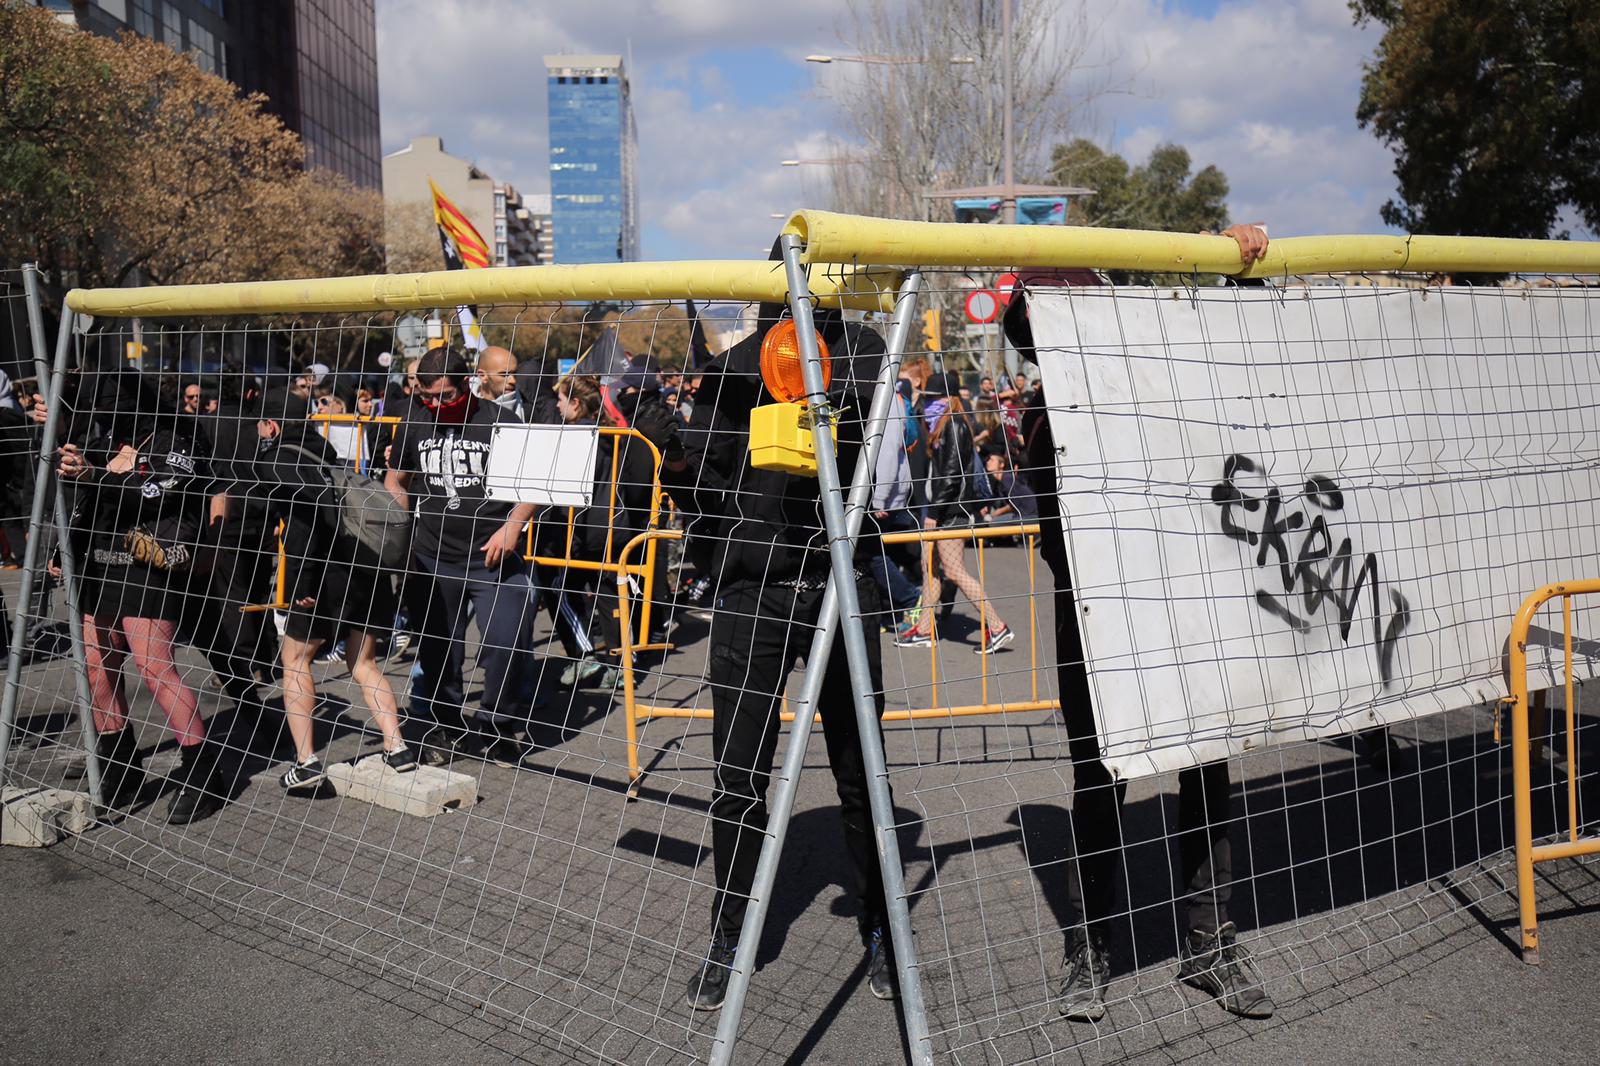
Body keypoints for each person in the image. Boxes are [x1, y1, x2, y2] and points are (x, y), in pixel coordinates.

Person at [1006, 222, 1277, 1022]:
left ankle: (1210, 943)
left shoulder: (1155, 382)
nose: (1053, 339)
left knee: (1205, 766)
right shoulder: (1048, 424)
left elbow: (1239, 350)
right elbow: (1066, 546)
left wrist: (1221, 265)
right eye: (1039, 327)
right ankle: (1092, 945)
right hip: (1098, 625)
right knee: (1100, 777)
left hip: (1184, 611)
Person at [642, 278, 902, 1011]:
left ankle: (882, 926)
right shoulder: (731, 368)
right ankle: (732, 934)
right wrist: (677, 458)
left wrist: (807, 386)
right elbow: (705, 491)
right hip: (753, 598)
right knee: (738, 777)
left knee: (862, 774)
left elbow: (863, 450)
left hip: (840, 586)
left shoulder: (859, 352)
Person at [50, 360, 226, 824]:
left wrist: (93, 475)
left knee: (155, 668)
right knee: (96, 665)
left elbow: (155, 495)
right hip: (100, 563)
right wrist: (61, 545)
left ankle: (203, 771)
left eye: (109, 407)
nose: (104, 418)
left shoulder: (176, 438)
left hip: (150, 562)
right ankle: (121, 763)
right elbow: (85, 498)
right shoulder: (106, 439)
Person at [252, 388, 416, 789]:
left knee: (295, 661)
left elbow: (304, 523)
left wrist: (299, 585)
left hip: (323, 578)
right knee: (363, 663)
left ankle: (306, 762)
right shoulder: (323, 452)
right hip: (365, 567)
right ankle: (398, 748)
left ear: (270, 425)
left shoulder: (279, 461)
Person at [385, 345, 539, 766]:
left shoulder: (500, 422)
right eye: (427, 397)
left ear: (468, 383)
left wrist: (513, 525)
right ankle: (447, 726)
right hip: (432, 557)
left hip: (493, 558)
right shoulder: (416, 420)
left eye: (445, 397)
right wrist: (401, 528)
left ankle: (499, 725)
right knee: (438, 652)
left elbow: (535, 485)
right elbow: (395, 479)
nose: (436, 405)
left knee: (506, 644)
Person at [895, 373, 1014, 655]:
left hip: (950, 511)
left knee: (953, 571)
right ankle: (925, 629)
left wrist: (934, 512)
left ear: (949, 398)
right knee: (930, 567)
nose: (931, 403)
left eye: (936, 398)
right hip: (946, 508)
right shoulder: (945, 424)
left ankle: (997, 626)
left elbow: (951, 475)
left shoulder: (954, 425)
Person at [476, 346, 523, 417]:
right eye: (504, 374)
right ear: (483, 376)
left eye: (514, 374)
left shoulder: (528, 410)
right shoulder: (467, 409)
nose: (513, 381)